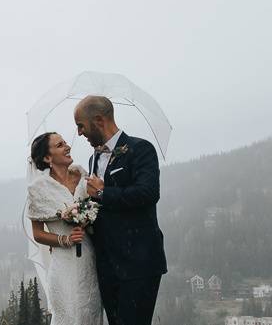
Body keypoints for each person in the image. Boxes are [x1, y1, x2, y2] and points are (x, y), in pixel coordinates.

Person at [74, 95, 167, 325]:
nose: (79, 133)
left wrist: (104, 193)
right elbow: (100, 205)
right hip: (107, 263)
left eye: (81, 126)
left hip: (138, 261)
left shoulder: (141, 149)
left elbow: (148, 193)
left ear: (98, 120)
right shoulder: (92, 158)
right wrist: (81, 214)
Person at [26, 132, 103, 325]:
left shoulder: (83, 176)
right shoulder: (39, 188)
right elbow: (38, 233)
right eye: (60, 145)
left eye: (66, 142)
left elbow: (98, 211)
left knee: (91, 316)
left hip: (90, 261)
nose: (67, 146)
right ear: (47, 158)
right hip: (64, 265)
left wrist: (88, 218)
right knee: (69, 317)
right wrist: (65, 240)